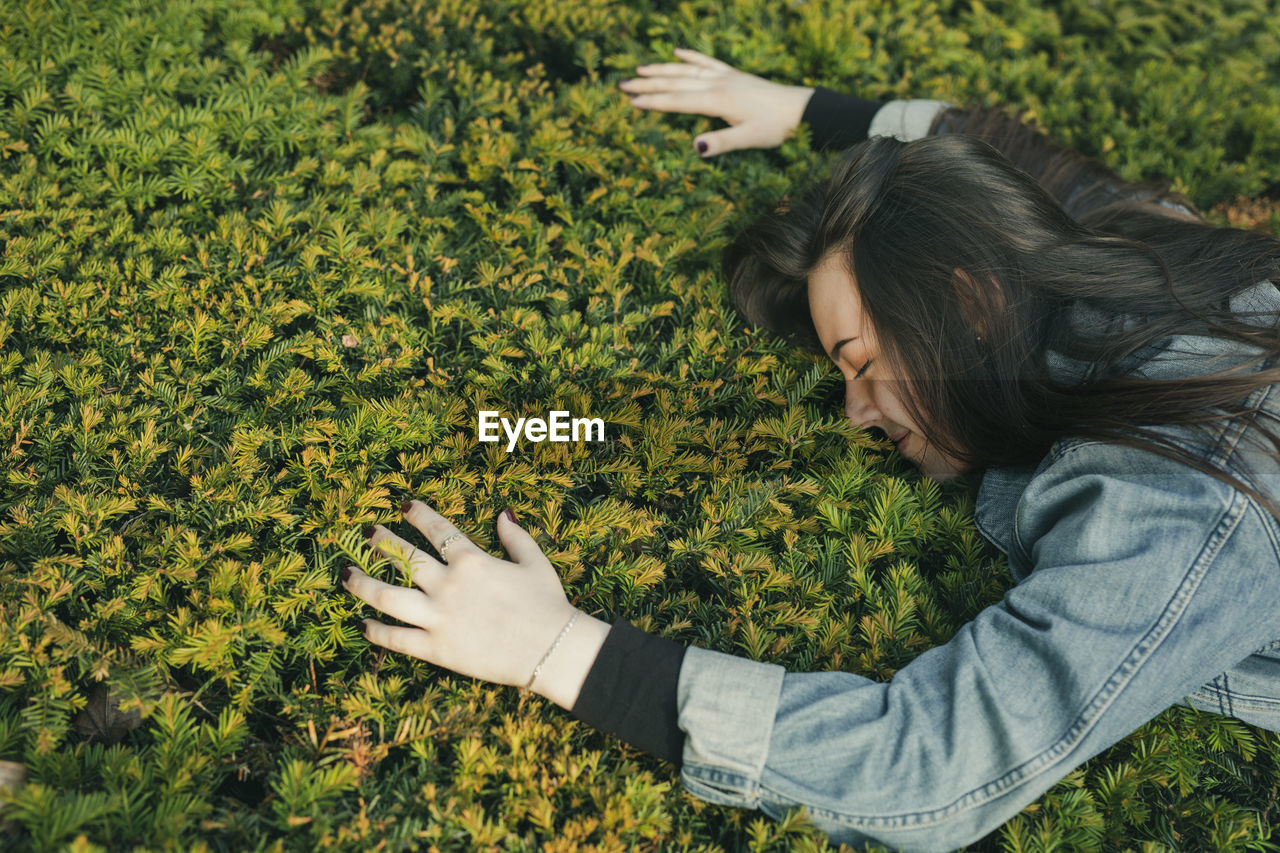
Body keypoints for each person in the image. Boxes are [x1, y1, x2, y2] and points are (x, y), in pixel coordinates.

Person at [339, 49, 1280, 851]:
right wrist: (804, 110)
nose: (858, 411)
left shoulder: (1188, 496)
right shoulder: (1123, 251)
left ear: (969, 299)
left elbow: (933, 763)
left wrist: (561, 648)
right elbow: (1008, 155)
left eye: (863, 361)